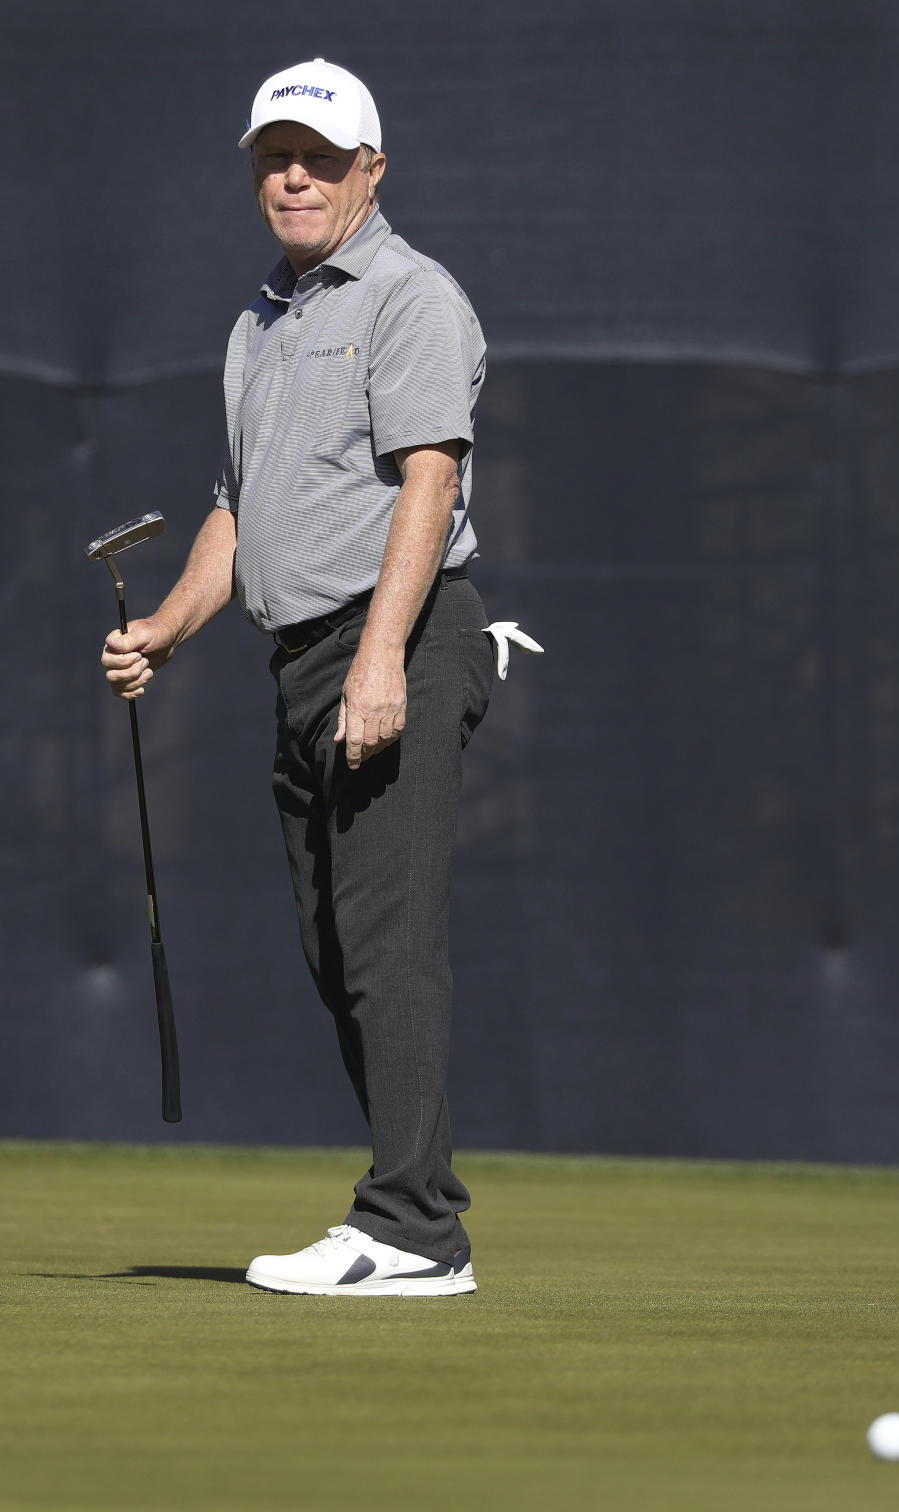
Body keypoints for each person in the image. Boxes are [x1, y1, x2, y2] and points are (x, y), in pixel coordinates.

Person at [101, 58, 498, 1298]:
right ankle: (410, 1211)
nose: (294, 176)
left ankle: (415, 1230)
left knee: (386, 939)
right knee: (337, 948)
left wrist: (381, 660)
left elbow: (428, 485)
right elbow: (243, 506)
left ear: (371, 172)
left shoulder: (408, 297)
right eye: (275, 155)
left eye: (321, 158)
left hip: (400, 641)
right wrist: (167, 626)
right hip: (303, 658)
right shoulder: (260, 322)